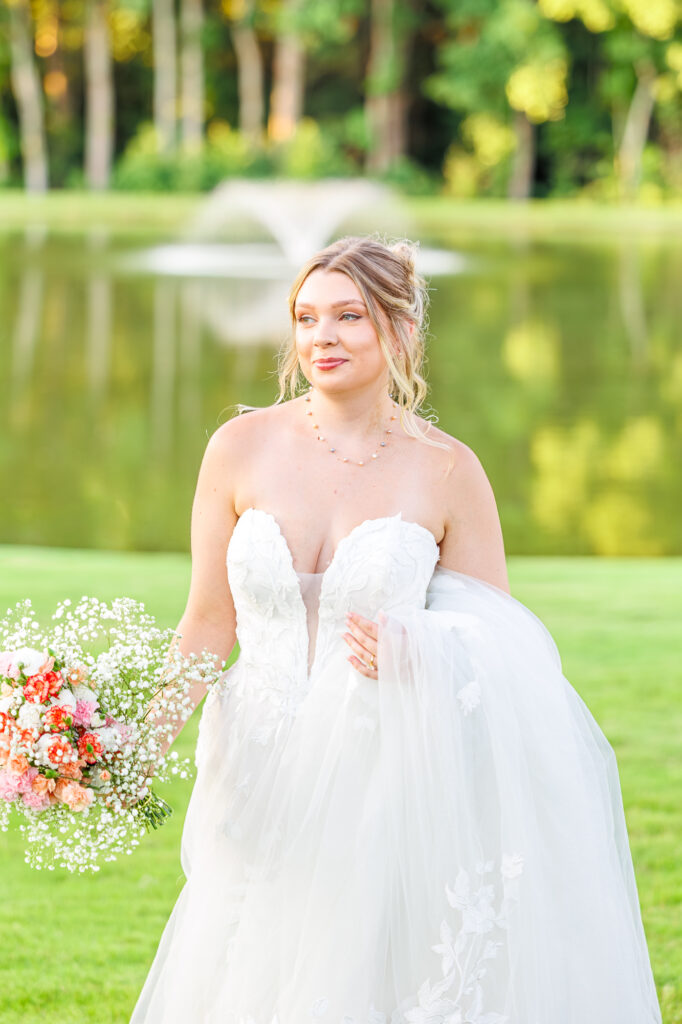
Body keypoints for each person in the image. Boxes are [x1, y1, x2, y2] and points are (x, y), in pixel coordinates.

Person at [129, 236, 662, 1024]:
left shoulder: (448, 470)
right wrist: (135, 748)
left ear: (401, 329)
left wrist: (421, 649)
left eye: (350, 316)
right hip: (253, 757)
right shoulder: (238, 448)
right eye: (307, 318)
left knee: (356, 972)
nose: (323, 337)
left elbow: (502, 644)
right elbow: (209, 622)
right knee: (245, 962)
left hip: (378, 762)